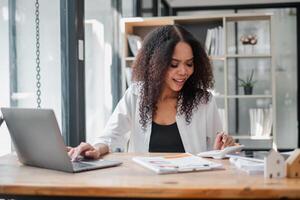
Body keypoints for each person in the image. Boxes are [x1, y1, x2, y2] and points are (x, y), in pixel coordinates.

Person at [68, 25, 235, 161]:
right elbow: (110, 136)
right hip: (144, 185)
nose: (183, 71)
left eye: (189, 64)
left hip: (190, 185)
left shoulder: (203, 101)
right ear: (156, 64)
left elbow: (217, 150)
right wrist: (95, 149)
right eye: (174, 64)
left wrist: (224, 147)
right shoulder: (135, 94)